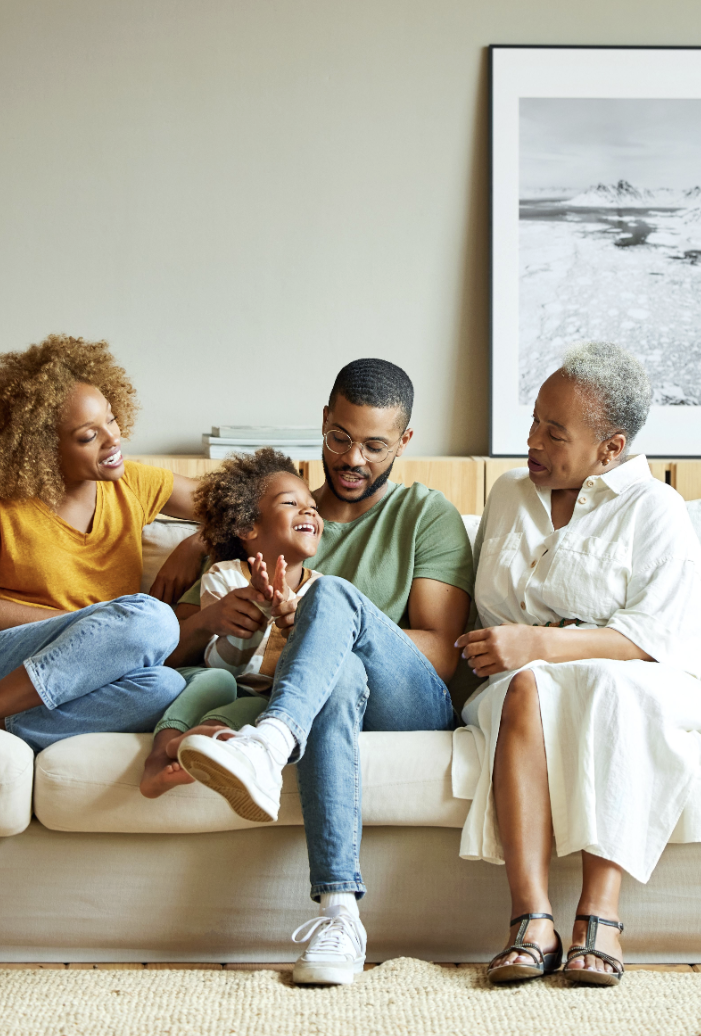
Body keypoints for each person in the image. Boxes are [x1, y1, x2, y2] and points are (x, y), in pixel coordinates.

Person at [163, 359, 474, 986]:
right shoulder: (277, 517)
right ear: (325, 421)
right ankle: (339, 914)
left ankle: (268, 743)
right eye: (340, 437)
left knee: (329, 597)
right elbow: (178, 643)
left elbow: (442, 653)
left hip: (408, 703)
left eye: (375, 446)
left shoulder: (424, 514)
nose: (353, 459)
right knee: (338, 677)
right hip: (333, 700)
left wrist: (321, 630)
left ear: (404, 442)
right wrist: (200, 540)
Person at [454, 342, 701, 987]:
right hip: (517, 682)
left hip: (631, 679)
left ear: (611, 447)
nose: (532, 441)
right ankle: (532, 920)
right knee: (527, 687)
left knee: (607, 687)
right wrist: (532, 650)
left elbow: (657, 636)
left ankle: (600, 917)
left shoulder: (653, 508)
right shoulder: (509, 494)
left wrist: (543, 642)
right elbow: (491, 617)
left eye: (555, 433)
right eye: (534, 421)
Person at [0, 335, 203, 751]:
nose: (113, 439)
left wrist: (197, 541)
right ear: (43, 450)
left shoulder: (134, 483)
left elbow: (240, 508)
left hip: (87, 674)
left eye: (112, 420)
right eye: (88, 436)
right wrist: (93, 624)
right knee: (154, 621)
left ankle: (0, 722)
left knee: (167, 687)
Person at [140, 449, 324, 798]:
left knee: (262, 706)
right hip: (214, 677)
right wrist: (256, 614)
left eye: (313, 506)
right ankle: (158, 758)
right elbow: (221, 664)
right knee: (218, 681)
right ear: (246, 527)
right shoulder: (224, 577)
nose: (309, 511)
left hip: (261, 693)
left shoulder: (322, 593)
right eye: (290, 503)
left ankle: (200, 741)